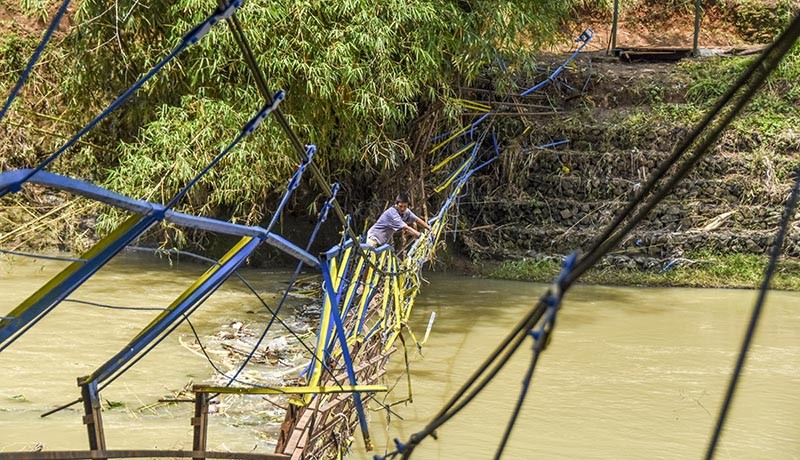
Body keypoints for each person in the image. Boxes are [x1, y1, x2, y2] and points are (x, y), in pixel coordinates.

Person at [366, 193, 431, 248]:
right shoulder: (392, 213)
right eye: (400, 206)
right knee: (370, 261)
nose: (402, 209)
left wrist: (429, 229)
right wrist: (420, 236)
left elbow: (417, 220)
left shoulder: (406, 211)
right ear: (396, 204)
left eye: (405, 206)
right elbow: (406, 228)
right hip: (374, 238)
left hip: (382, 242)